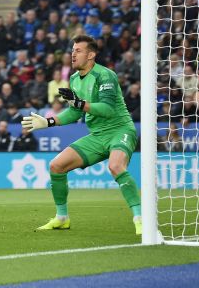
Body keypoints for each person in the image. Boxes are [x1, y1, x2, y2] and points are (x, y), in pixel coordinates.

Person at [22, 34, 141, 235]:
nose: (73, 54)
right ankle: (62, 218)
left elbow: (107, 109)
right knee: (56, 166)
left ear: (91, 55)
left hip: (120, 130)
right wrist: (49, 121)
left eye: (78, 51)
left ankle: (140, 218)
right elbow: (76, 111)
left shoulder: (106, 75)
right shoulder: (75, 79)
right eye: (72, 50)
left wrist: (79, 103)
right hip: (97, 136)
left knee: (116, 166)